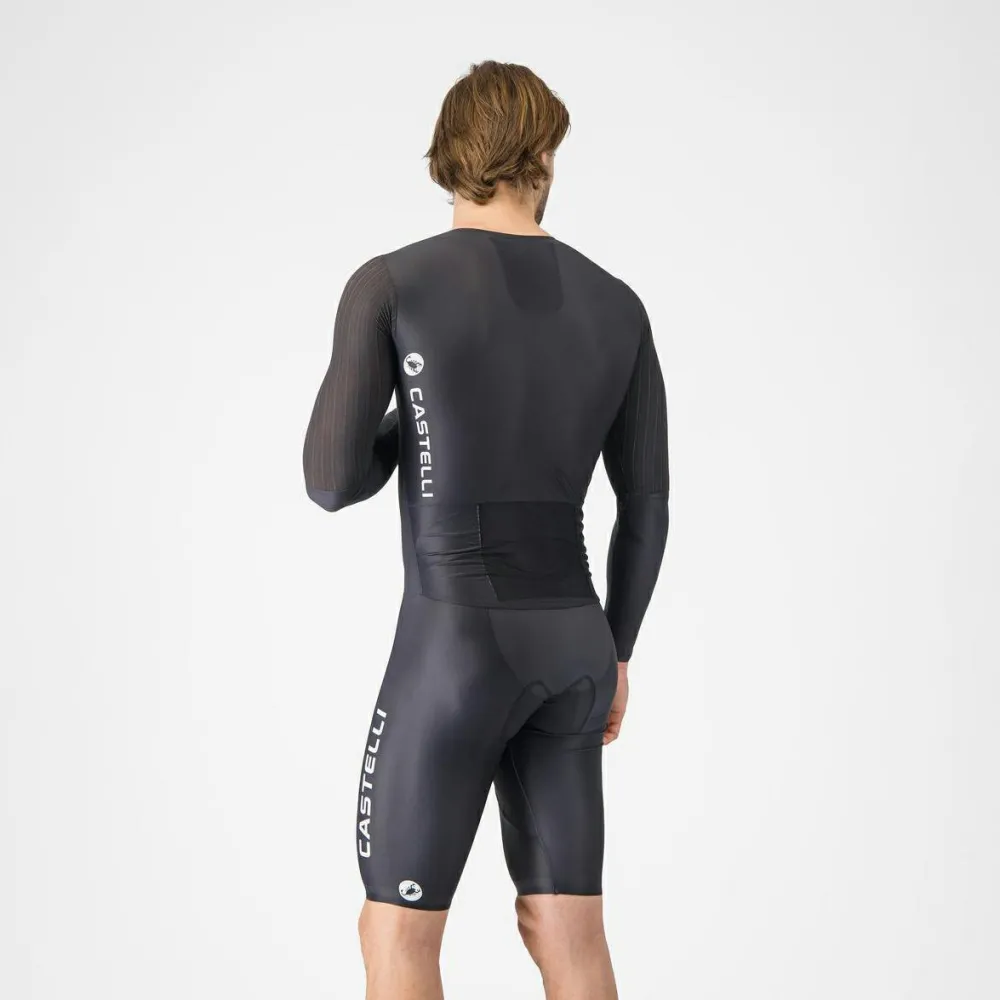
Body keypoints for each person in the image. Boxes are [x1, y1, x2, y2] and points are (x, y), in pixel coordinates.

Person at [303, 60, 669, 1000]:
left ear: (448, 157)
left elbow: (331, 481)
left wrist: (412, 416)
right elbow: (646, 505)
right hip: (577, 646)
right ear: (543, 155)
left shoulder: (392, 284)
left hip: (457, 642)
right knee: (568, 930)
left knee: (397, 932)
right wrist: (618, 651)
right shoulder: (618, 303)